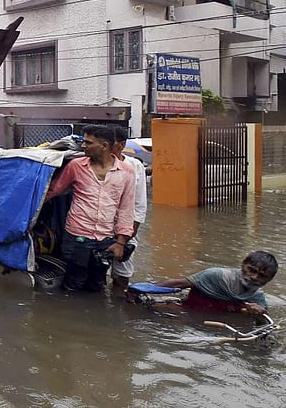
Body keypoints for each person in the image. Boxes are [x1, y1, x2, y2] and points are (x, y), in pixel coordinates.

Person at [44, 124, 135, 292]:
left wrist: (121, 243)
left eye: (88, 143)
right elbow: (52, 191)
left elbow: (126, 209)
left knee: (97, 285)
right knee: (73, 284)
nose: (83, 146)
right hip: (77, 236)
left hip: (106, 239)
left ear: (105, 146)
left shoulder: (127, 172)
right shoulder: (76, 166)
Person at [156, 251, 278, 315]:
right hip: (186, 312)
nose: (254, 277)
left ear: (268, 280)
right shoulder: (216, 275)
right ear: (243, 264)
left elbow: (262, 324)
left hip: (218, 328)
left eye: (261, 276)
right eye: (251, 270)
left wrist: (258, 313)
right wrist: (144, 289)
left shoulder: (257, 298)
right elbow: (178, 284)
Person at [110, 126, 148, 289]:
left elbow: (139, 204)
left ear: (121, 145)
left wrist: (127, 235)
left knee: (122, 274)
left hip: (125, 228)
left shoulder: (135, 166)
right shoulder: (91, 164)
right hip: (98, 228)